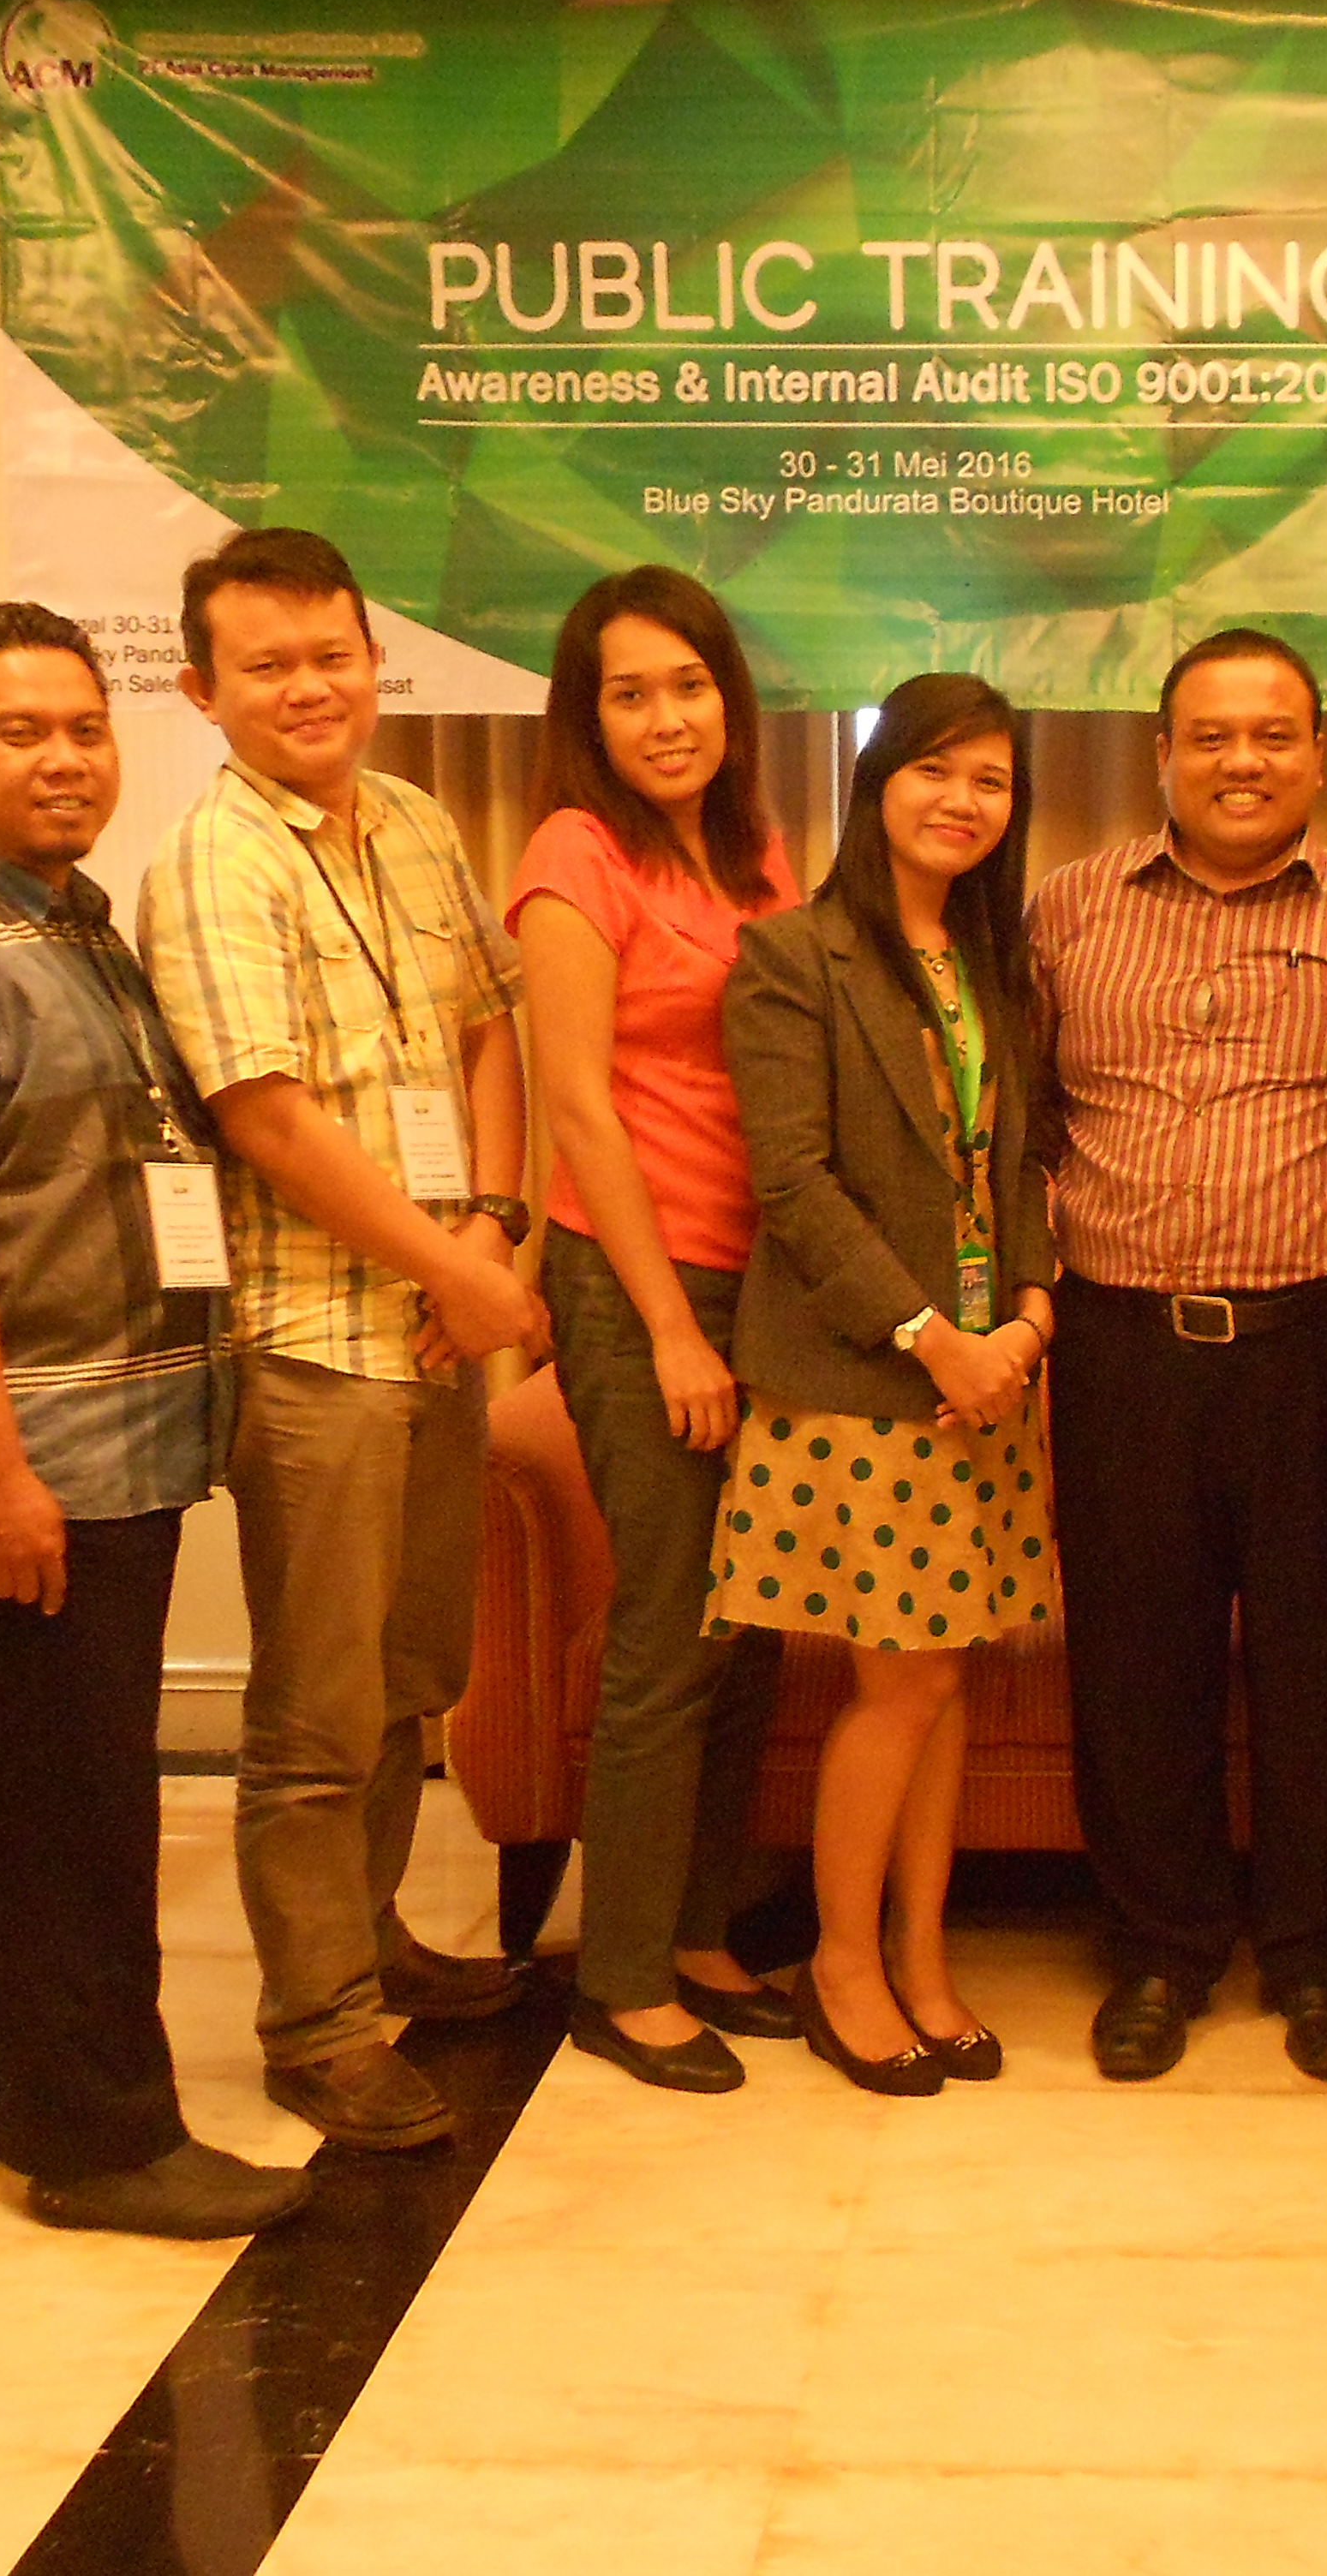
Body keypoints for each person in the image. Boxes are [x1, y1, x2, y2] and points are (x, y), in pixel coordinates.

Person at [0, 601, 311, 2238]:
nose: (63, 761)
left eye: (85, 729)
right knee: (84, 1807)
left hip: (123, 1433)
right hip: (34, 1455)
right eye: (18, 733)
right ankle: (100, 2144)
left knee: (22, 1775)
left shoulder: (75, 922)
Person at [140, 528, 548, 2155]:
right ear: (204, 690)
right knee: (314, 1713)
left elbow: (488, 1024)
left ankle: (369, 1947)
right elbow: (267, 1119)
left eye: (332, 656)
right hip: (315, 1342)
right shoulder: (213, 863)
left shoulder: (418, 821)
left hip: (442, 1320)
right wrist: (453, 1273)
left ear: (377, 662)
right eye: (268, 666)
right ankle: (314, 2026)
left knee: (410, 1678)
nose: (308, 688)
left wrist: (491, 1227)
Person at [1027, 630, 1327, 2084]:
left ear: (1318, 754)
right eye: (1210, 736)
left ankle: (1319, 1956)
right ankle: (1159, 1949)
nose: (1241, 761)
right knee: (1136, 1665)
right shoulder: (1068, 910)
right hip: (1125, 1345)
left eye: (1271, 735)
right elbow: (1026, 1118)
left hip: (1325, 1345)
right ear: (1161, 757)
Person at [716, 675, 1058, 2096]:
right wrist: (933, 1336)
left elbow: (1018, 1162)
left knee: (945, 1673)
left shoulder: (994, 963)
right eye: (934, 770)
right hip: (868, 1379)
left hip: (989, 1374)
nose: (961, 801)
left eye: (991, 779)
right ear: (876, 782)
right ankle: (841, 1963)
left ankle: (921, 1951)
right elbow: (794, 1183)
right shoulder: (792, 956)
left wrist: (1030, 1314)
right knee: (901, 1682)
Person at [510, 567, 803, 2094]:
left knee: (748, 1623)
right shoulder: (574, 852)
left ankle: (697, 1931)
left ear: (728, 697)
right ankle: (619, 1978)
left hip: (764, 1282)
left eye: (688, 685)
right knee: (674, 1624)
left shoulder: (753, 846)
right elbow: (578, 1107)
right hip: (641, 1283)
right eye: (630, 694)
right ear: (591, 717)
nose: (666, 717)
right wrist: (673, 1332)